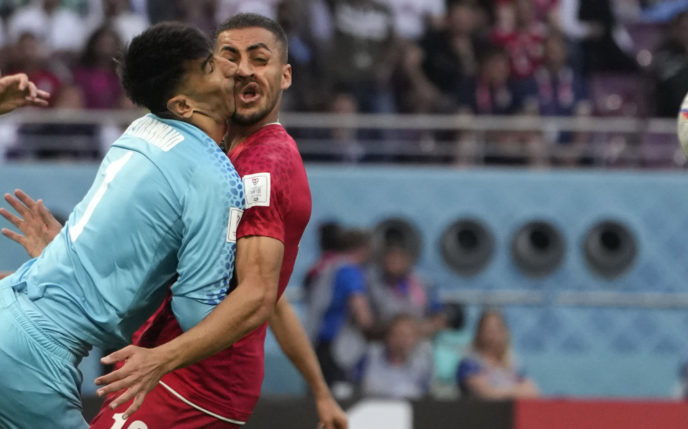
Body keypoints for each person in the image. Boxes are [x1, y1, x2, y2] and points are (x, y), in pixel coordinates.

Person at [2, 15, 347, 429]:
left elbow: (260, 295)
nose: (239, 70)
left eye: (258, 59)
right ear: (184, 101)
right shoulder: (212, 170)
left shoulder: (147, 132)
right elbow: (227, 300)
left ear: (286, 75)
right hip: (115, 362)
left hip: (181, 375)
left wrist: (71, 260)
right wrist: (77, 261)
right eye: (220, 60)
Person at [307, 228, 375, 390]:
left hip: (316, 337)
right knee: (339, 390)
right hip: (336, 343)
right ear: (363, 248)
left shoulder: (328, 266)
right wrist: (374, 330)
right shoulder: (350, 270)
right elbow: (359, 306)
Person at [456, 309, 539, 398]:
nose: (494, 334)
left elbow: (533, 391)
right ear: (479, 333)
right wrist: (517, 390)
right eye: (489, 329)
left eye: (498, 329)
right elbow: (487, 394)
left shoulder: (513, 364)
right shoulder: (469, 364)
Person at [357, 314, 434, 399]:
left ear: (415, 338)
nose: (402, 340)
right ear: (388, 336)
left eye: (408, 336)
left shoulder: (423, 363)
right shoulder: (370, 357)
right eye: (398, 334)